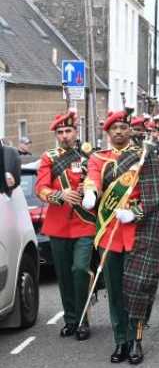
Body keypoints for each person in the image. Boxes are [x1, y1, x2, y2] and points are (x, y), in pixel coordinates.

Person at [83, 109, 159, 365]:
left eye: (122, 127)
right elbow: (93, 178)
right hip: (111, 234)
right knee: (116, 292)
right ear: (107, 133)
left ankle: (136, 340)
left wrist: (135, 212)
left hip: (139, 229)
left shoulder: (145, 155)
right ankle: (121, 340)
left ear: (129, 130)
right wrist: (91, 194)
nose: (118, 131)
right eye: (113, 128)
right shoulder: (99, 157)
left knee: (138, 289)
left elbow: (154, 193)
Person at [35, 110, 95, 340]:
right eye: (60, 132)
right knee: (64, 275)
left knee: (79, 270)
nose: (64, 136)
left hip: (84, 224)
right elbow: (40, 188)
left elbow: (98, 183)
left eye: (68, 131)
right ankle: (71, 320)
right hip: (58, 225)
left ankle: (83, 319)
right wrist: (60, 195)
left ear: (75, 132)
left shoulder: (88, 157)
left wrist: (88, 189)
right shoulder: (49, 158)